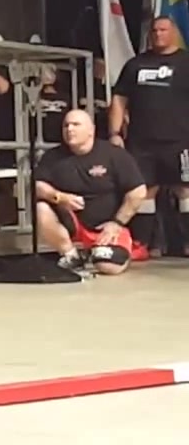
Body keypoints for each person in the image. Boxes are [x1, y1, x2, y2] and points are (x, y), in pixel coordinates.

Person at [109, 16, 189, 257]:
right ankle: (141, 243)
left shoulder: (186, 62)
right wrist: (114, 133)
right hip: (141, 141)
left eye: (163, 30)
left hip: (181, 140)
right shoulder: (136, 64)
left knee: (185, 190)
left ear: (173, 32)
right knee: (143, 191)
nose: (158, 34)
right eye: (154, 30)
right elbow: (119, 99)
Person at [33, 109, 146, 274]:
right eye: (66, 125)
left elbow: (138, 192)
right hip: (72, 222)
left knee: (108, 267)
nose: (69, 129)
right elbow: (38, 186)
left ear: (91, 130)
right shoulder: (52, 157)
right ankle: (70, 255)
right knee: (41, 208)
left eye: (76, 125)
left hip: (106, 226)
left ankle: (108, 252)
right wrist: (59, 197)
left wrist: (116, 223)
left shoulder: (114, 155)